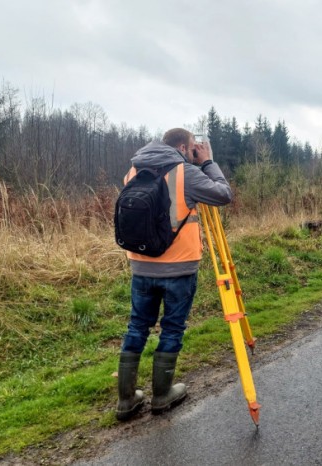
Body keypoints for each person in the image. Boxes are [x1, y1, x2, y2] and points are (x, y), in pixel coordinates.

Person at [116, 128, 232, 421]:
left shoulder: (134, 170)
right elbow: (223, 194)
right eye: (193, 146)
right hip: (179, 268)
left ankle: (126, 400)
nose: (195, 150)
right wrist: (206, 162)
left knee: (137, 327)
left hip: (141, 265)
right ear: (183, 146)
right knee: (172, 328)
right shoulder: (186, 174)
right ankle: (162, 395)